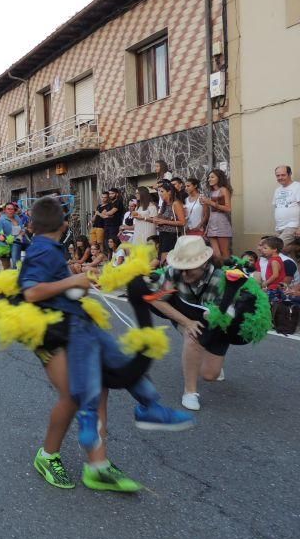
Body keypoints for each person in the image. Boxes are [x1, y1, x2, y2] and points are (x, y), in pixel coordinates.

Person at [17, 197, 194, 492]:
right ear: (63, 226)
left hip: (73, 324)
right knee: (74, 395)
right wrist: (73, 281)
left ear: (33, 225)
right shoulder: (43, 249)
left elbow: (50, 281)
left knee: (98, 386)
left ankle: (97, 467)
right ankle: (47, 455)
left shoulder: (48, 247)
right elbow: (32, 292)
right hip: (52, 332)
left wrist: (73, 276)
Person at [127, 236, 270, 411]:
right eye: (181, 268)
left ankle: (208, 355)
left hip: (219, 323)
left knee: (210, 375)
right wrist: (186, 322)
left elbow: (227, 317)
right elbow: (155, 299)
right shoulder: (173, 272)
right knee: (192, 336)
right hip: (188, 316)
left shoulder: (221, 279)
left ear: (204, 264)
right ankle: (190, 392)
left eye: (189, 269)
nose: (184, 274)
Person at [201, 169, 233, 263]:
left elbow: (228, 208)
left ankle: (227, 275)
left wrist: (210, 202)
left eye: (212, 177)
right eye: (209, 177)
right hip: (212, 224)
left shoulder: (224, 190)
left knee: (225, 254)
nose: (209, 179)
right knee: (215, 254)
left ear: (219, 178)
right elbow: (210, 212)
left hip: (222, 223)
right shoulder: (211, 192)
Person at [153, 182, 186, 263]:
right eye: (159, 191)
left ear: (169, 192)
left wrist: (164, 221)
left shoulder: (176, 203)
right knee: (161, 259)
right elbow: (160, 219)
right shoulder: (164, 204)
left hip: (172, 235)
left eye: (162, 191)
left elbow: (182, 222)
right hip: (163, 234)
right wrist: (151, 219)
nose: (160, 194)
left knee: (166, 260)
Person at [273, 165, 300, 245]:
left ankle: (296, 248)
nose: (280, 177)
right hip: (279, 228)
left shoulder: (297, 186)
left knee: (274, 248)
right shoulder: (277, 190)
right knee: (285, 254)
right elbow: (277, 208)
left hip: (292, 226)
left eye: (283, 175)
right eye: (278, 175)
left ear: (290, 174)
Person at [0, 202, 23, 270]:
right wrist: (1, 236)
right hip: (4, 245)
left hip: (15, 242)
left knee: (15, 263)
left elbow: (21, 229)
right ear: (5, 210)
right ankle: (8, 278)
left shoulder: (17, 217)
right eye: (8, 209)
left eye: (12, 209)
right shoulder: (1, 220)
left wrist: (22, 232)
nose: (10, 211)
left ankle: (16, 277)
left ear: (14, 210)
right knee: (6, 267)